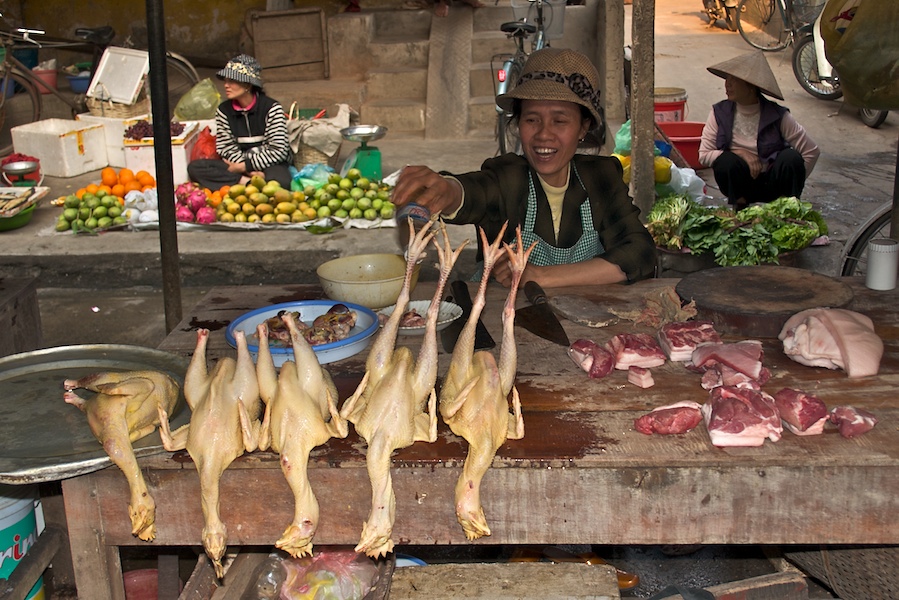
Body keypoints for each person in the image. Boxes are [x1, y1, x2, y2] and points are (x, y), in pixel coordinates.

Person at [391, 47, 657, 289]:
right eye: (532, 119)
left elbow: (641, 254)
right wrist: (445, 190)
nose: (544, 134)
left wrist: (540, 276)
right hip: (503, 320)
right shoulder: (507, 177)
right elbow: (471, 192)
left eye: (559, 121)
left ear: (583, 127)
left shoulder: (601, 177)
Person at [698, 51, 820, 211]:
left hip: (773, 183)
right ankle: (740, 206)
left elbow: (812, 151)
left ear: (751, 87)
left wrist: (796, 182)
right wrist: (741, 154)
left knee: (791, 157)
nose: (728, 84)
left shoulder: (778, 115)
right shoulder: (719, 112)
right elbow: (704, 155)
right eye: (727, 78)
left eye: (734, 80)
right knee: (725, 161)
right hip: (742, 185)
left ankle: (786, 207)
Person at [186, 54, 292, 190]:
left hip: (268, 164)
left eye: (232, 81)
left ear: (247, 84)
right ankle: (247, 183)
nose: (226, 86)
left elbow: (279, 150)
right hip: (237, 165)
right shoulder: (224, 111)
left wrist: (248, 166)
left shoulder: (271, 108)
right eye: (225, 81)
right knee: (195, 168)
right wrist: (245, 170)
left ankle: (245, 183)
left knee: (281, 182)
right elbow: (225, 147)